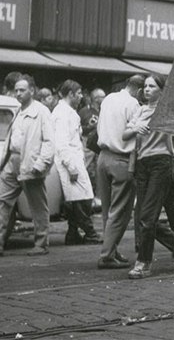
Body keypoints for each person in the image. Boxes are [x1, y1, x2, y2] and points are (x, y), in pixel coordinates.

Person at [0, 74, 55, 257]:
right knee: (0, 200)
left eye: (22, 90)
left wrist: (40, 164)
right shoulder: (19, 111)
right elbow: (12, 138)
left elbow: (50, 141)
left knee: (37, 206)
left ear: (32, 91)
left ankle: (41, 244)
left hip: (30, 162)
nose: (18, 93)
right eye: (16, 90)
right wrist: (4, 162)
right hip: (13, 161)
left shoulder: (41, 112)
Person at [125, 74, 174, 279]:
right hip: (143, 164)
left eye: (152, 86)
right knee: (143, 214)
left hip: (161, 163)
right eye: (145, 86)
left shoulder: (167, 111)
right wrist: (135, 127)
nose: (147, 89)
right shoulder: (141, 110)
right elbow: (124, 134)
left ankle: (144, 262)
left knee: (146, 216)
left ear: (162, 89)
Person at [96, 75, 143, 269]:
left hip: (103, 157)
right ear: (139, 91)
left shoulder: (108, 98)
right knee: (120, 211)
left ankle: (112, 250)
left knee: (107, 209)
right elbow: (137, 135)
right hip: (122, 160)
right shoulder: (134, 105)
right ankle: (107, 255)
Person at [52, 80, 101, 246]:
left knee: (79, 197)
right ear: (70, 94)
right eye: (78, 93)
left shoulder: (68, 112)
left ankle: (73, 233)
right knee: (81, 198)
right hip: (69, 161)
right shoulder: (62, 114)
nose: (81, 97)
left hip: (74, 159)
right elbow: (61, 143)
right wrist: (71, 166)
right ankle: (90, 232)